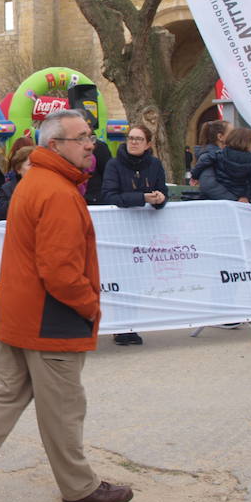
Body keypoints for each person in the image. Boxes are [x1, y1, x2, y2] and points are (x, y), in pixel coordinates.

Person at [0, 110, 133, 502]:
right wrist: (90, 305)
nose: (90, 143)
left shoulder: (38, 182)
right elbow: (60, 270)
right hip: (50, 317)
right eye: (81, 137)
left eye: (89, 136)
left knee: (5, 394)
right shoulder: (57, 191)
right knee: (62, 405)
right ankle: (79, 486)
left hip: (24, 314)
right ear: (55, 145)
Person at [101, 124, 167, 346]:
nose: (133, 142)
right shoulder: (114, 164)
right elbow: (109, 196)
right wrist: (141, 198)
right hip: (120, 230)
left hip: (143, 231)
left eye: (139, 139)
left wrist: (160, 199)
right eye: (130, 138)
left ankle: (132, 324)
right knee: (121, 278)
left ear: (148, 144)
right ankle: (121, 327)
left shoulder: (155, 164)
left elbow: (162, 192)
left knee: (137, 280)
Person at [193, 127, 251, 204]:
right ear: (247, 143)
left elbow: (204, 161)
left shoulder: (221, 153)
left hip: (221, 190)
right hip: (239, 194)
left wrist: (195, 175)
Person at [190, 120, 233, 199]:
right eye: (232, 133)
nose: (235, 136)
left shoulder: (220, 155)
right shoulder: (209, 157)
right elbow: (209, 185)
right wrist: (234, 198)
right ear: (220, 137)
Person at [0, 146, 36, 222]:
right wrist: (19, 196)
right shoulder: (8, 188)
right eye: (30, 165)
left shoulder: (45, 186)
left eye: (36, 165)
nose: (34, 168)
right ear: (18, 169)